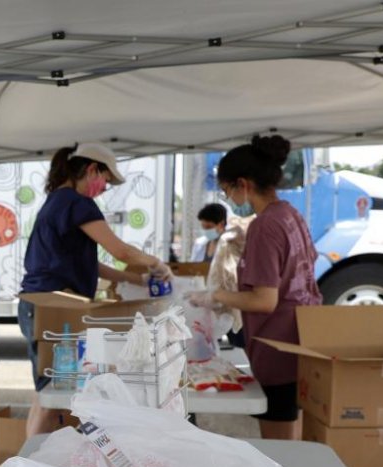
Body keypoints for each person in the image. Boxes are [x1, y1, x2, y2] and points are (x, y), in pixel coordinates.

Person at [18, 142, 172, 437]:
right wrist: (155, 263)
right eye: (104, 181)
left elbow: (92, 264)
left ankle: (36, 464)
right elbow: (121, 251)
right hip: (54, 306)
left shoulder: (58, 202)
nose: (104, 189)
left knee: (47, 392)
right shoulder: (78, 204)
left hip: (41, 304)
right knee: (51, 396)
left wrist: (138, 281)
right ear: (91, 170)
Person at [190, 134, 322, 440]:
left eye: (226, 189)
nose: (227, 196)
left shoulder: (265, 224)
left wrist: (215, 295)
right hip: (301, 341)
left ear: (242, 184)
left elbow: (264, 300)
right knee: (294, 436)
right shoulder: (290, 214)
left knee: (281, 447)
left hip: (279, 347)